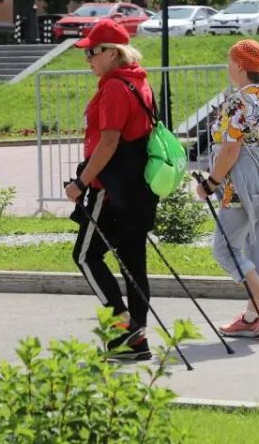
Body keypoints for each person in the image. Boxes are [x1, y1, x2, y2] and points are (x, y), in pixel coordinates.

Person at [65, 19, 159, 360]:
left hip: (110, 189)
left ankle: (123, 324)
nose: (87, 58)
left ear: (111, 53)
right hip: (138, 189)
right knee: (133, 264)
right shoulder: (139, 82)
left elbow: (108, 143)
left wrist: (81, 183)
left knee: (85, 255)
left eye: (92, 52)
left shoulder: (115, 88)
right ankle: (136, 342)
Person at [197, 39, 259, 338]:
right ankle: (253, 317)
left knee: (225, 250)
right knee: (258, 251)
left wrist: (210, 183)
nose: (228, 67)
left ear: (239, 65)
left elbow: (230, 150)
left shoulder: (238, 102)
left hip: (240, 190)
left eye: (230, 61)